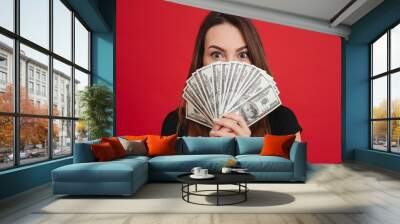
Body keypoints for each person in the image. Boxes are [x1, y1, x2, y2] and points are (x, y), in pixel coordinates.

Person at [161, 12, 302, 141]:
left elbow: (296, 169)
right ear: (201, 61)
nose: (230, 66)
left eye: (242, 55)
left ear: (254, 59)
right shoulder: (176, 124)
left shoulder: (282, 121)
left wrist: (248, 152)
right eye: (217, 55)